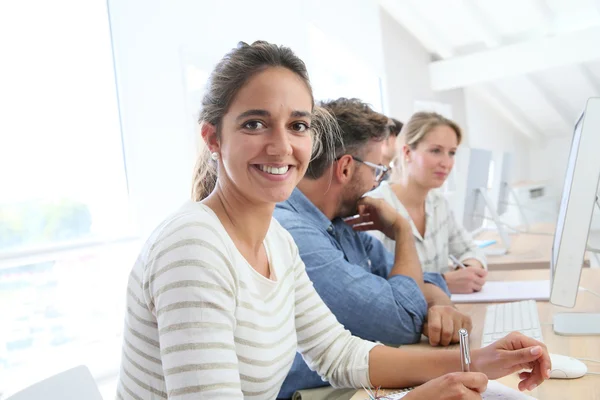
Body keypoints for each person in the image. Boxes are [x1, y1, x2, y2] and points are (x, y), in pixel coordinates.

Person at [116, 41, 551, 400]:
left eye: (298, 125)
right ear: (213, 137)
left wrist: (479, 360)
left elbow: (339, 353)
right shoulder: (193, 247)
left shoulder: (275, 241)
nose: (281, 146)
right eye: (254, 124)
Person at [273, 99, 543, 398]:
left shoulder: (339, 223)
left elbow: (424, 280)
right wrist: (402, 232)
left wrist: (441, 304)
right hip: (322, 390)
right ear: (346, 168)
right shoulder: (295, 232)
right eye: (378, 170)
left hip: (359, 377)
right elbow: (400, 320)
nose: (378, 183)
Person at [367, 112, 487, 294]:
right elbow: (373, 285)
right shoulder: (376, 206)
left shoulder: (439, 204)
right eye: (435, 151)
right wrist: (442, 282)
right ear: (407, 153)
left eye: (452, 153)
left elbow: (471, 249)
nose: (446, 163)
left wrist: (467, 270)